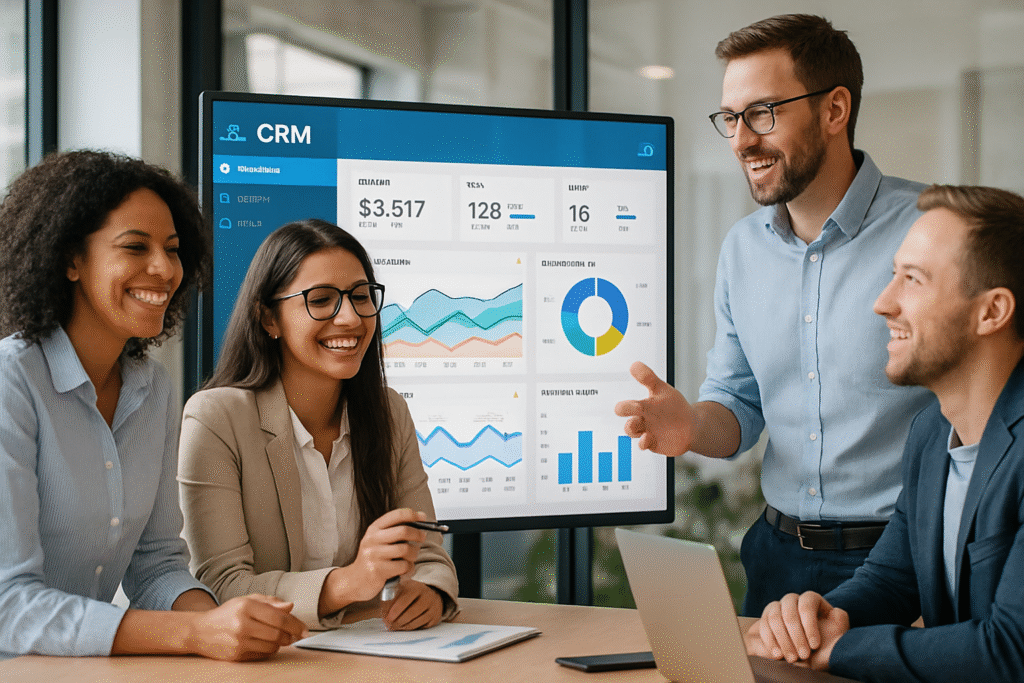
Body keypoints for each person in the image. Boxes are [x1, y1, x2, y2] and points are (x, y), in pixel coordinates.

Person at [614, 14, 935, 616]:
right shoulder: (742, 248)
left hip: (906, 559)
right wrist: (690, 427)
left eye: (763, 113)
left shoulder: (929, 229)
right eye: (731, 119)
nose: (741, 140)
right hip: (777, 557)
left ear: (834, 111)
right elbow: (739, 409)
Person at [0, 150, 305, 660]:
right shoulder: (12, 379)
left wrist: (224, 624)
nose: (164, 269)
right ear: (70, 259)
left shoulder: (153, 389)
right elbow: (9, 606)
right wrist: (192, 635)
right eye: (135, 247)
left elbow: (157, 564)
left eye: (173, 248)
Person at [746, 184, 1024, 682]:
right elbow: (894, 578)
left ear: (992, 312)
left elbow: (1010, 651)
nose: (882, 303)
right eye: (893, 275)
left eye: (912, 280)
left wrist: (842, 650)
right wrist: (820, 619)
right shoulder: (931, 431)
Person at [178, 219, 459, 632]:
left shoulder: (389, 412)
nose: (350, 318)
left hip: (367, 656)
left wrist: (431, 593)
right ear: (268, 319)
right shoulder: (216, 418)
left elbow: (429, 555)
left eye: (361, 297)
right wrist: (348, 583)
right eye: (321, 300)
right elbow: (220, 586)